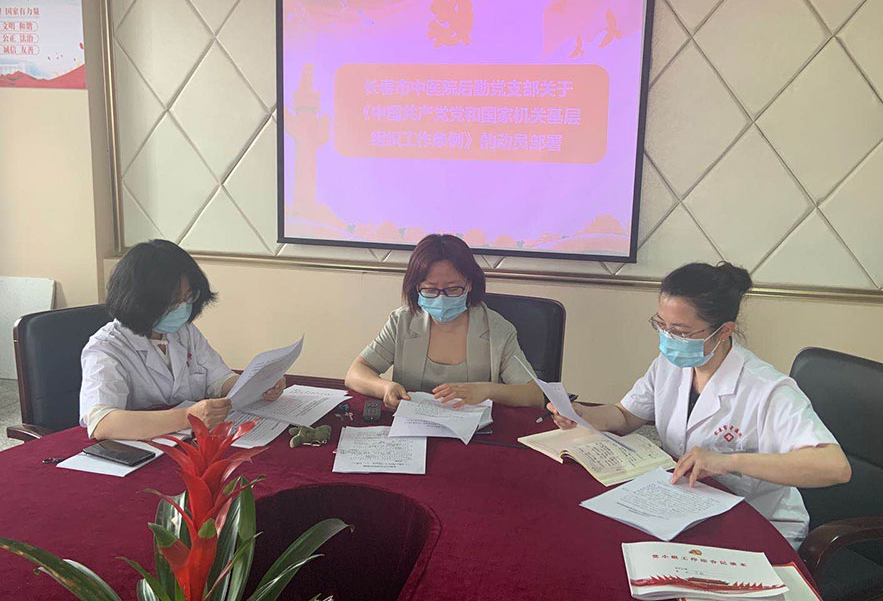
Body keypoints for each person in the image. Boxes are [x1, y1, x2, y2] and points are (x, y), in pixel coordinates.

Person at [548, 262, 851, 547]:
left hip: (757, 522)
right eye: (662, 326)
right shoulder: (669, 365)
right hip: (685, 509)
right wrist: (583, 415)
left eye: (680, 332)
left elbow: (834, 467)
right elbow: (626, 415)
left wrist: (728, 461)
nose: (668, 339)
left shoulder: (767, 389)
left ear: (725, 331)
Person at [79, 240, 285, 440]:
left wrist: (260, 384)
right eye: (174, 300)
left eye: (188, 297)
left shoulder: (184, 331)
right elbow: (102, 423)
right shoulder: (106, 348)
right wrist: (187, 417)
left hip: (189, 441)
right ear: (141, 300)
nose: (183, 307)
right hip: (141, 450)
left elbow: (219, 380)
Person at [345, 234, 544, 410]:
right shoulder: (402, 322)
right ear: (416, 287)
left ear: (469, 284)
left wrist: (487, 390)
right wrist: (385, 387)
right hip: (413, 427)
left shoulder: (497, 329)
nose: (442, 298)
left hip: (476, 432)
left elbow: (534, 395)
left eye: (453, 288)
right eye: (431, 289)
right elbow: (355, 373)